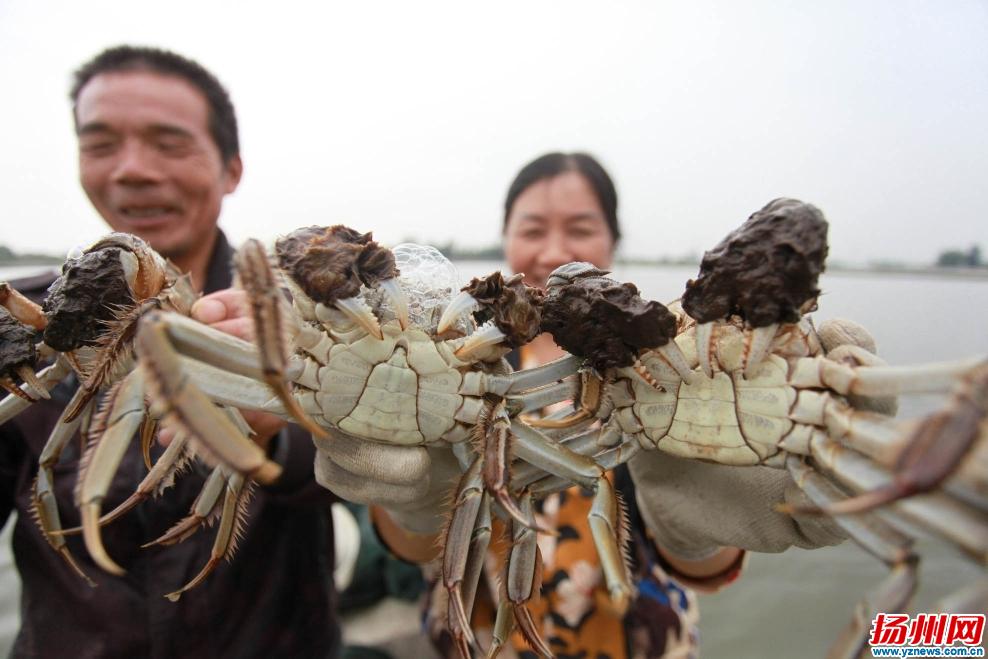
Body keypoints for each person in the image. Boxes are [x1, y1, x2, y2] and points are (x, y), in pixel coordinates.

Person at [313, 152, 893, 658]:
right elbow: (416, 546)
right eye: (533, 229)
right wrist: (414, 504)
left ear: (611, 243)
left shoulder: (660, 362)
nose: (554, 250)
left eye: (580, 229)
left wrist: (692, 530)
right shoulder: (458, 362)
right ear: (506, 238)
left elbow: (697, 566)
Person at [0, 46, 340, 658]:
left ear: (231, 168)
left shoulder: (306, 311)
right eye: (101, 144)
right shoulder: (21, 322)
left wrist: (279, 427)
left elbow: (372, 476)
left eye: (168, 143)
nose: (132, 169)